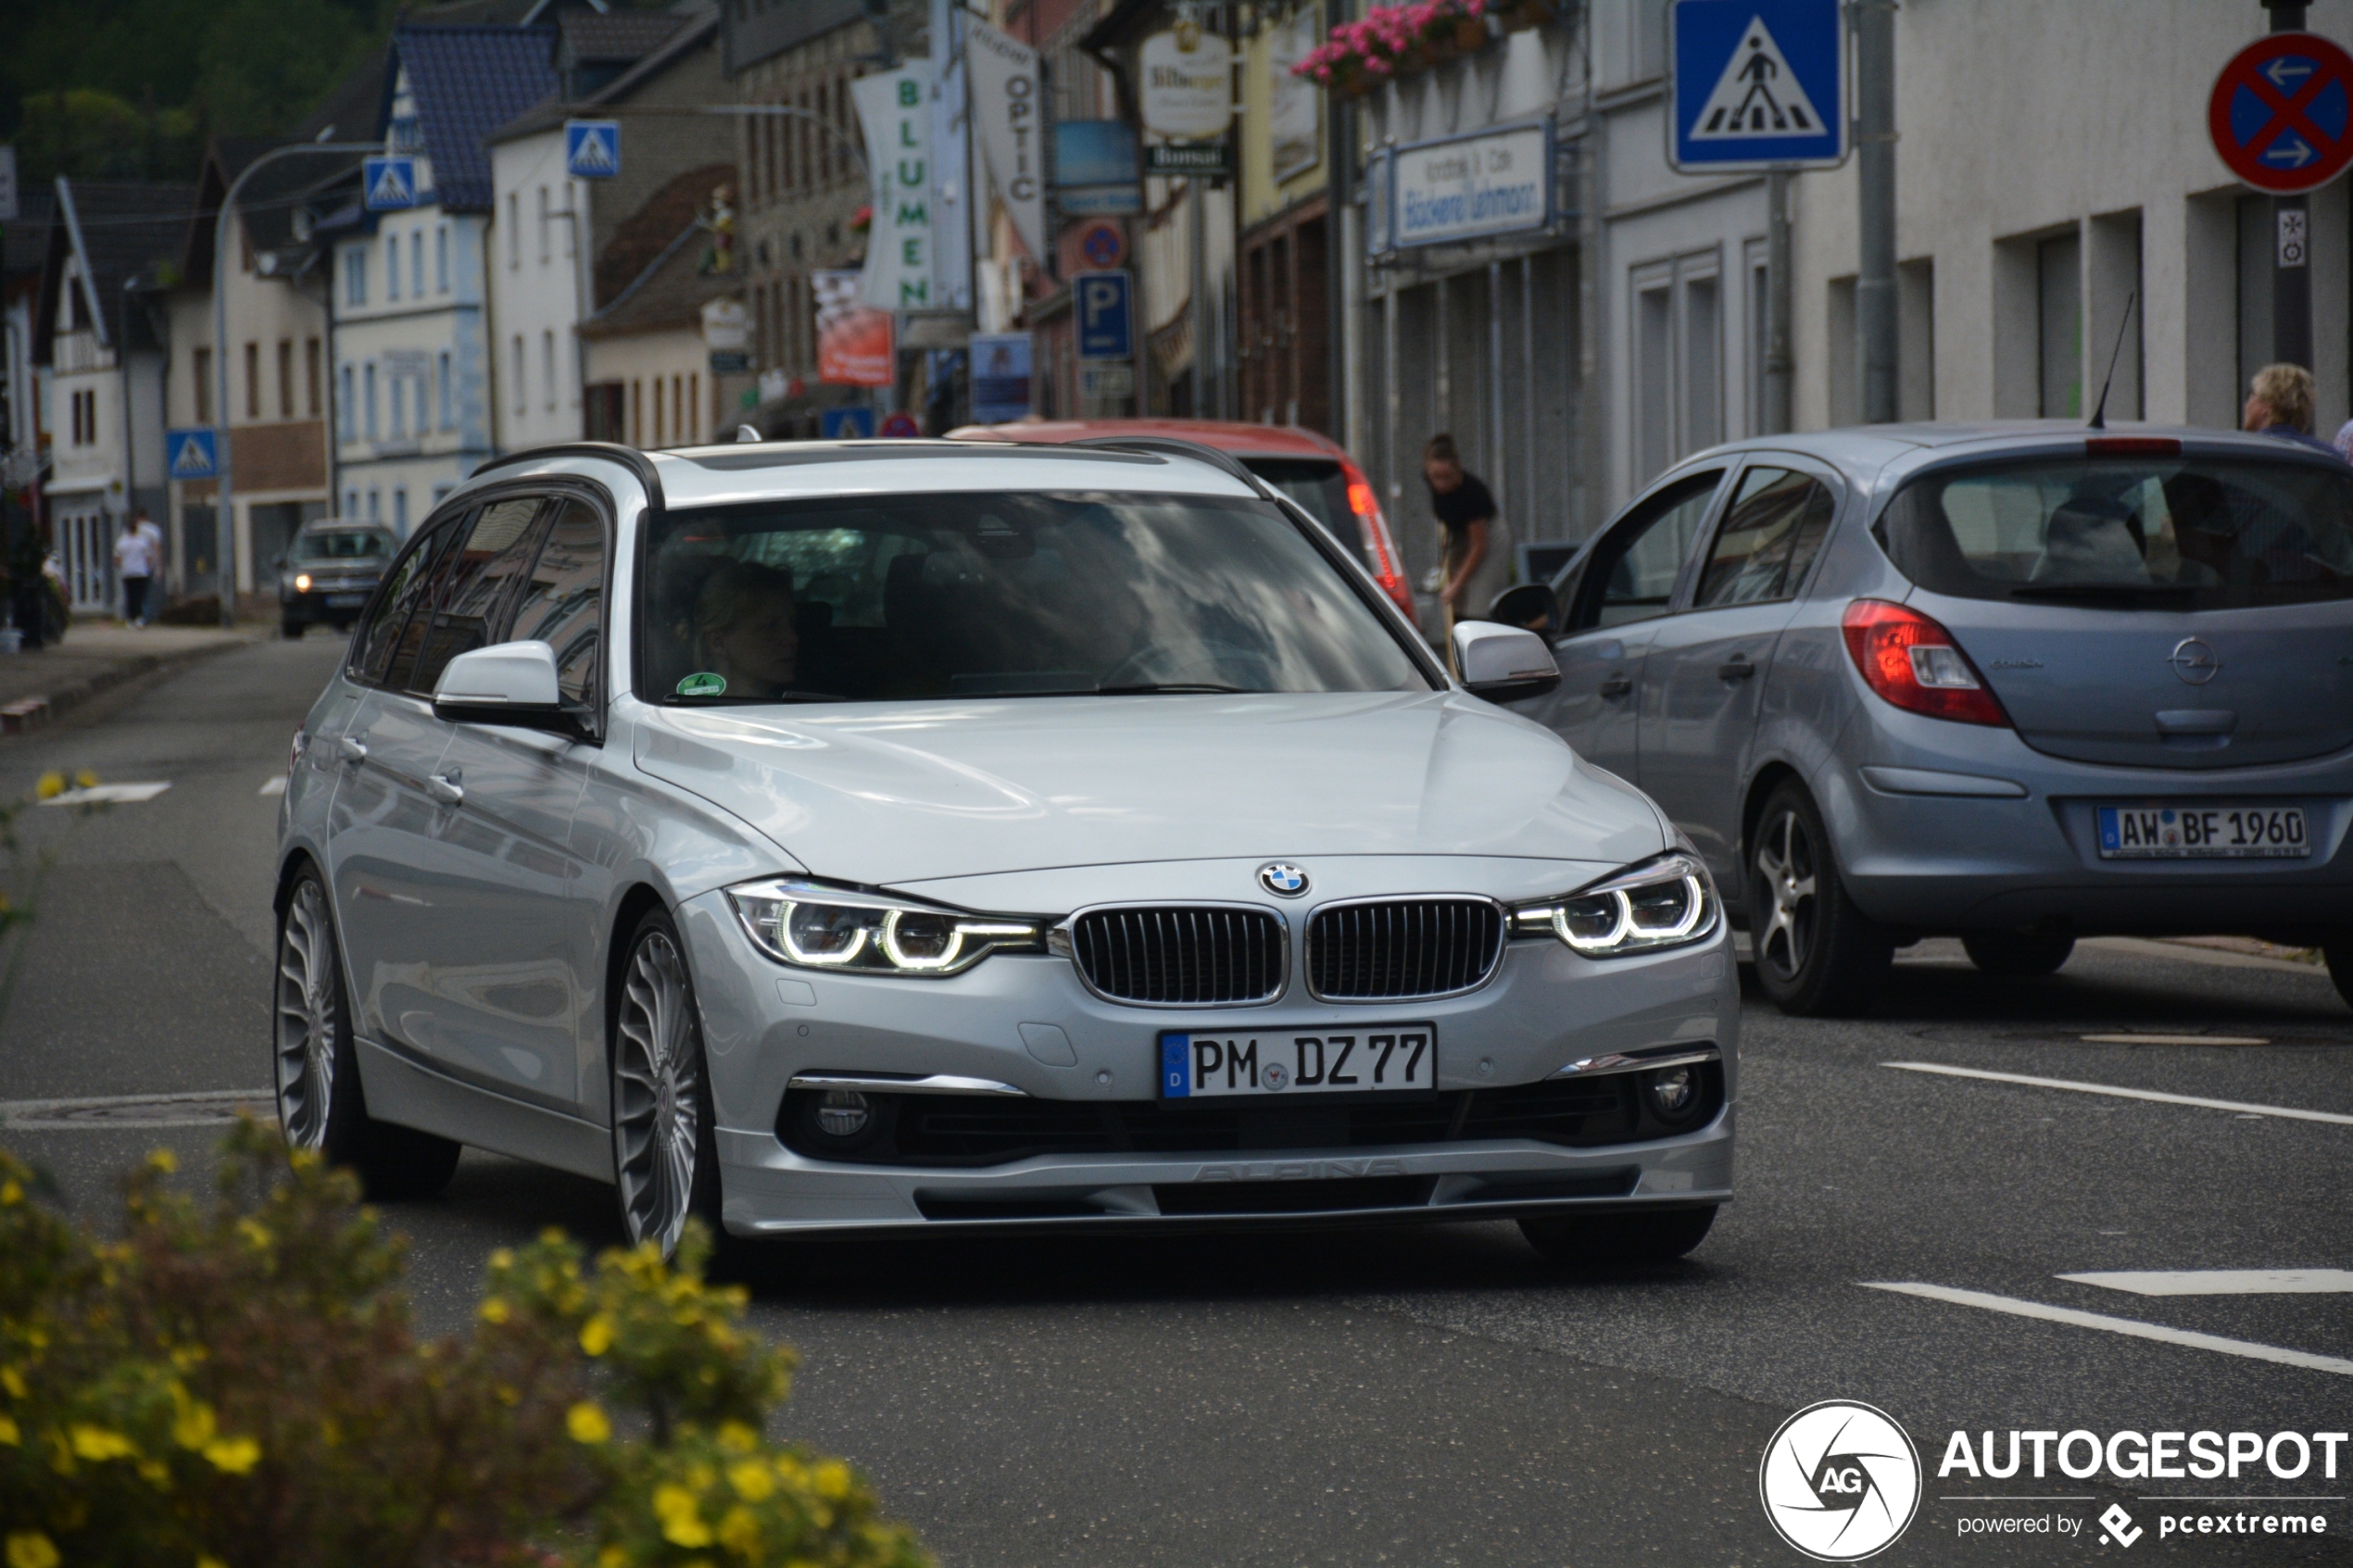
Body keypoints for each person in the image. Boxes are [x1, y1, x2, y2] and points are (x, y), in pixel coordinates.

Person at [1423, 433, 1515, 628]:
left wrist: (1456, 585)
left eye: (1446, 477)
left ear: (1457, 470)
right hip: (1461, 536)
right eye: (1435, 478)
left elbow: (1479, 546)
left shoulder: (1472, 493)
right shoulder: (1431, 480)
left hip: (1488, 539)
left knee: (1478, 604)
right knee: (1458, 604)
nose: (1441, 484)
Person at [685, 559, 799, 697]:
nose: (793, 639)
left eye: (792, 624)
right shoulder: (683, 716)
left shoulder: (801, 708)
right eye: (770, 627)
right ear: (718, 642)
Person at [2243, 363, 2345, 459]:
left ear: (2267, 405)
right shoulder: (2330, 456)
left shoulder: (2241, 454)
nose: (2247, 404)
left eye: (2251, 395)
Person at [114, 508, 162, 626]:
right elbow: (153, 552)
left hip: (127, 572)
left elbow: (117, 557)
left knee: (130, 595)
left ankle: (131, 619)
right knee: (142, 595)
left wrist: (121, 567)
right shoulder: (149, 534)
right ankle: (142, 617)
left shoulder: (123, 539)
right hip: (141, 571)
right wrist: (156, 566)